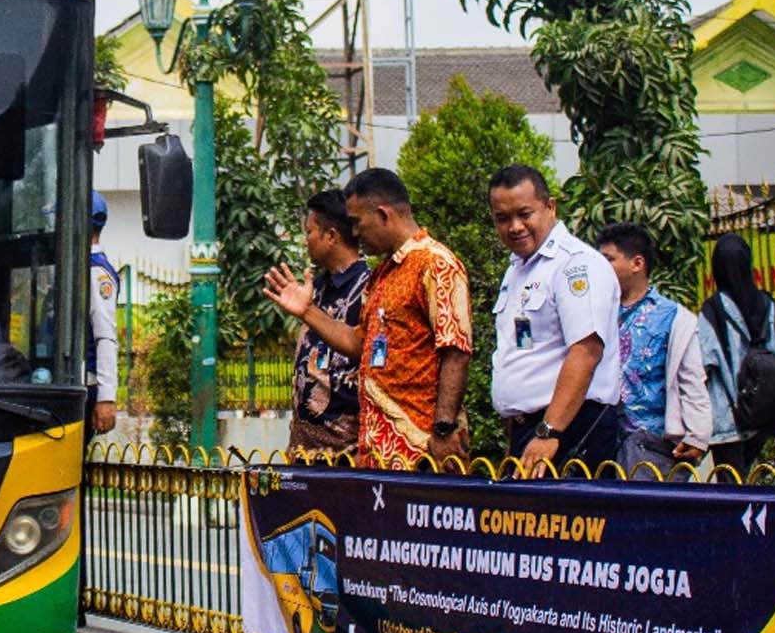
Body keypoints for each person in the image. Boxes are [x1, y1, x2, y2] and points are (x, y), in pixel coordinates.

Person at [264, 169, 471, 468]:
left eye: (357, 222)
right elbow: (359, 344)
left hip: (423, 448)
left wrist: (443, 429)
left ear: (384, 215)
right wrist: (307, 311)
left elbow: (456, 350)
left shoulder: (436, 264)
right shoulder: (382, 274)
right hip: (380, 455)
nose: (355, 232)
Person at [488, 166, 622, 475]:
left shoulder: (576, 264)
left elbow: (586, 352)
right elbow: (527, 350)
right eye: (502, 218)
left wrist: (549, 431)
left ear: (550, 207)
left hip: (569, 430)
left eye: (525, 214)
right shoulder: (518, 269)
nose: (515, 227)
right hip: (533, 431)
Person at [595, 223, 712, 478]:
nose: (600, 268)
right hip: (600, 440)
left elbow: (691, 378)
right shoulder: (594, 312)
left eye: (609, 260)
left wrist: (697, 436)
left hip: (654, 447)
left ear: (637, 263)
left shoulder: (673, 317)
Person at [261, 191, 370, 456]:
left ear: (331, 236)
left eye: (309, 232)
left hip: (348, 453)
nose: (305, 240)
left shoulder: (369, 288)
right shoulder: (316, 288)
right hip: (304, 452)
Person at [698, 233, 775, 475]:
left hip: (728, 422)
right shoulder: (769, 305)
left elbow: (703, 362)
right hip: (764, 415)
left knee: (731, 486)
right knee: (759, 482)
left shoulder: (713, 310)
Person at [88, 192, 119, 436]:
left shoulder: (96, 271)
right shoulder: (77, 264)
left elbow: (105, 336)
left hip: (86, 383)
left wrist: (106, 397)